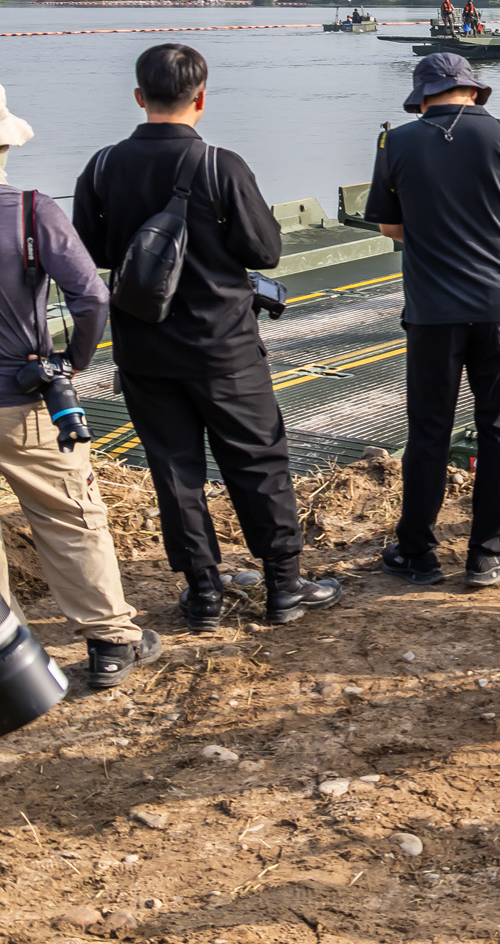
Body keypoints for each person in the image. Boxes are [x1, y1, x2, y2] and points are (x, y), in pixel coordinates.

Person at [73, 44, 339, 629]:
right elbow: (264, 250)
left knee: (174, 469)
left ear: (139, 96)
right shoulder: (222, 165)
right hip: (225, 345)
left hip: (144, 348)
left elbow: (91, 251)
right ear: (201, 99)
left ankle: (203, 594)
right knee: (257, 459)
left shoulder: (102, 166)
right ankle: (284, 586)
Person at [365, 52, 500, 586]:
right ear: (474, 90)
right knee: (499, 429)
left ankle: (417, 553)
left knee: (428, 431)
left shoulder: (395, 142)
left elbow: (389, 229)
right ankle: (488, 553)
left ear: (423, 96)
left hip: (431, 312)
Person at [0, 88, 159, 688]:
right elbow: (91, 297)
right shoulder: (30, 211)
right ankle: (111, 642)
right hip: (22, 399)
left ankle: (7, 664)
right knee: (70, 517)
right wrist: (70, 362)